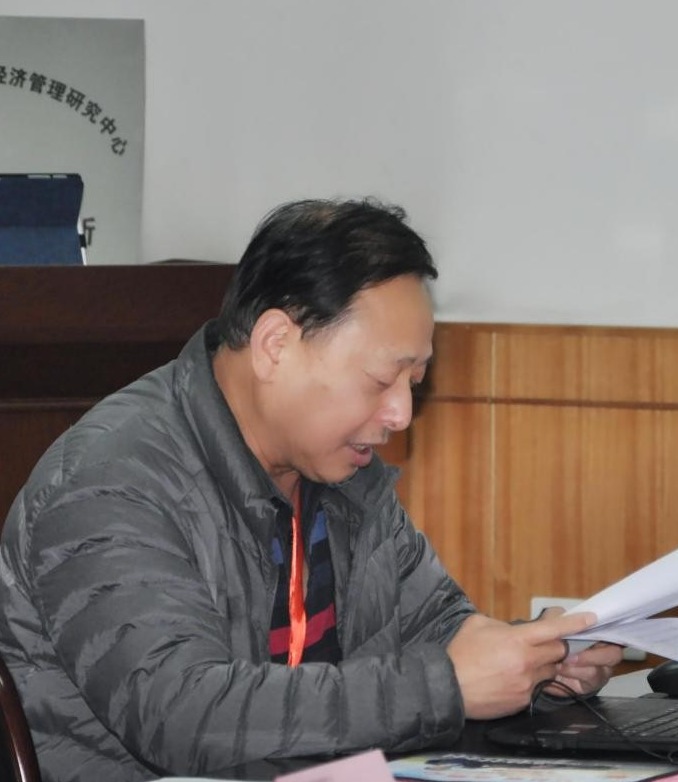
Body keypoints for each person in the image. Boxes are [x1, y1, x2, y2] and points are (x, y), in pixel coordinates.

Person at [0, 198, 622, 782]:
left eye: (415, 382)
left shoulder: (343, 475)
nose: (401, 414)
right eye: (380, 380)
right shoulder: (111, 479)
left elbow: (434, 629)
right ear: (276, 345)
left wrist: (529, 660)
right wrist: (449, 686)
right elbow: (181, 714)